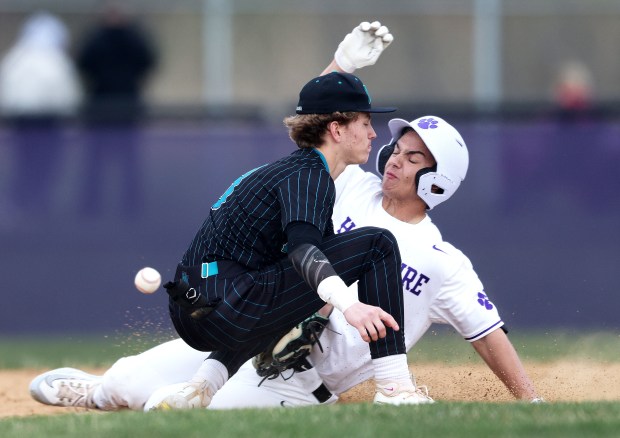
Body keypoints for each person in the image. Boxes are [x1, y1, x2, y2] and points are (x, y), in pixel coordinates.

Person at [29, 21, 542, 411]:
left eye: (413, 158)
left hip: (295, 377)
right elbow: (323, 129)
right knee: (127, 382)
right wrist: (341, 65)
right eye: (396, 148)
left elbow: (488, 334)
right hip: (250, 334)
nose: (393, 158)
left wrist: (531, 406)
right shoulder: (353, 189)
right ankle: (98, 393)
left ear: (439, 181)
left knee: (194, 415)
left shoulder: (443, 262)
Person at [75, 2, 157, 218]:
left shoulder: (112, 37)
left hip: (118, 105)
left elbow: (148, 60)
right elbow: (83, 62)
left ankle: (128, 208)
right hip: (107, 105)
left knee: (125, 162)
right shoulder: (114, 37)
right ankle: (94, 207)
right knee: (98, 162)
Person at [0, 11, 82, 222]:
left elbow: (6, 92)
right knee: (44, 167)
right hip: (47, 123)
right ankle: (36, 205)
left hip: (23, 122)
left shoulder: (15, 58)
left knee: (25, 165)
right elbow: (68, 96)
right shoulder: (56, 61)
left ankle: (25, 205)